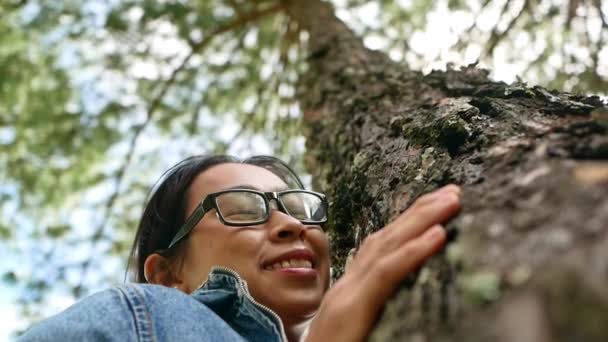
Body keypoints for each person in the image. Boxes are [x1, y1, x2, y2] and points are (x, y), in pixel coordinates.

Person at [18, 155, 461, 341]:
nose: (291, 225)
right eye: (243, 208)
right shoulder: (139, 315)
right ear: (168, 275)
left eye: (297, 207)